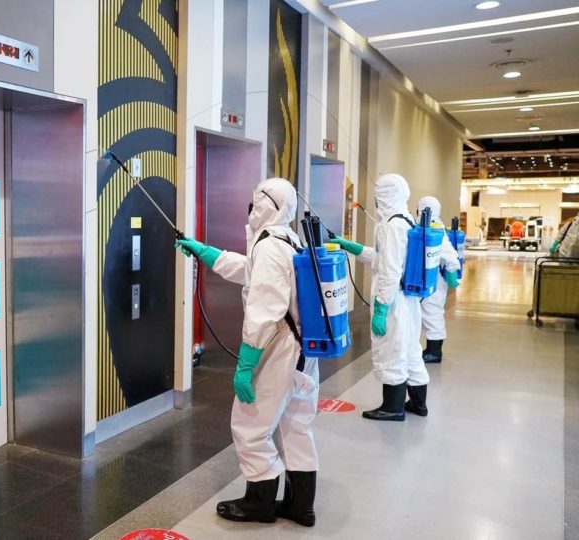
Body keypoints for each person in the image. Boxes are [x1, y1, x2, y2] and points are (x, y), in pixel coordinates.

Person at [176, 178, 318, 527]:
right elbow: (252, 271)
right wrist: (206, 252)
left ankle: (260, 503)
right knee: (296, 425)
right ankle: (301, 505)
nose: (250, 208)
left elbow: (263, 311)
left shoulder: (270, 245)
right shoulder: (287, 237)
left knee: (250, 424)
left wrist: (246, 363)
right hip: (303, 346)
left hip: (278, 345)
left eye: (255, 201)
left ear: (266, 205)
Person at [332, 174, 429, 420]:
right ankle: (418, 404)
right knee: (409, 349)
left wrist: (381, 308)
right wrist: (352, 247)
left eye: (378, 192)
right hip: (408, 298)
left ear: (385, 194)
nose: (375, 198)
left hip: (394, 300)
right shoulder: (406, 220)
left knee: (392, 350)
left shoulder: (391, 226)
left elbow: (389, 271)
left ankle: (392, 408)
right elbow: (383, 259)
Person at [416, 196, 461, 364]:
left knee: (432, 314)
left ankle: (435, 352)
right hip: (426, 282)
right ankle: (430, 349)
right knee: (427, 315)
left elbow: (450, 256)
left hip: (434, 283)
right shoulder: (425, 227)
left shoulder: (435, 230)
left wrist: (451, 276)